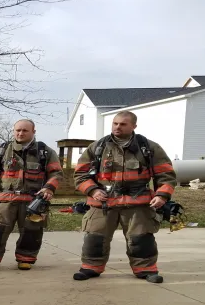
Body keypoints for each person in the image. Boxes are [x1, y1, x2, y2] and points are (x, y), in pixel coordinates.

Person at [73, 110, 177, 283]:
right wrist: (92, 190)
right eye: (115, 123)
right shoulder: (97, 147)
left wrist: (161, 196)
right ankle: (90, 268)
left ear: (134, 126)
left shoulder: (149, 148)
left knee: (141, 238)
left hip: (138, 204)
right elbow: (80, 174)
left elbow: (166, 175)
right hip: (103, 204)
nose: (117, 127)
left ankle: (146, 270)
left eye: (123, 124)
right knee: (95, 238)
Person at [0, 119, 63, 271]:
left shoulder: (46, 152)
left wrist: (49, 188)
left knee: (31, 231)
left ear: (33, 132)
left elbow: (56, 173)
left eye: (24, 130)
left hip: (33, 201)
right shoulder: (2, 150)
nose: (20, 133)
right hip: (5, 200)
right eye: (17, 130)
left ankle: (26, 259)